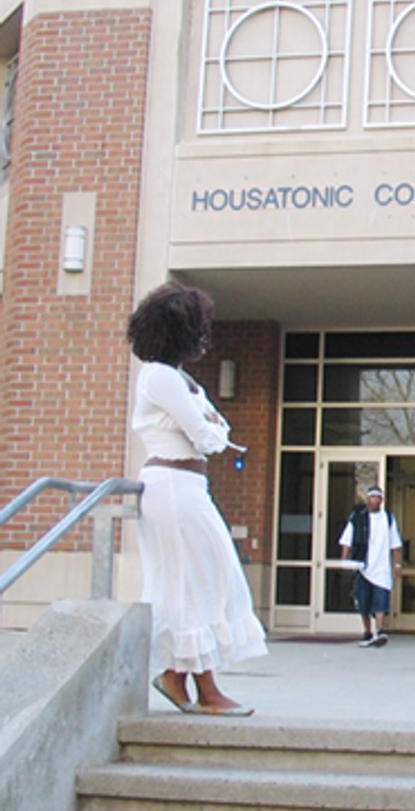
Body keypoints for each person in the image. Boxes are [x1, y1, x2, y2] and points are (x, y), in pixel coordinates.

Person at [128, 282, 267, 716]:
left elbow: (215, 428)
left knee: (207, 579)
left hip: (187, 487)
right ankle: (203, 688)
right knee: (197, 582)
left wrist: (214, 428)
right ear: (178, 332)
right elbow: (208, 436)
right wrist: (214, 429)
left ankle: (179, 676)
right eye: (198, 329)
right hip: (172, 485)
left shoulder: (178, 378)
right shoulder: (161, 376)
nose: (205, 337)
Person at [339, 484, 403, 648]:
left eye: (378, 497)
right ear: (368, 499)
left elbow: (395, 544)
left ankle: (380, 630)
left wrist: (397, 564)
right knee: (363, 602)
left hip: (381, 568)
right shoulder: (358, 518)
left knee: (380, 601)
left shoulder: (388, 518)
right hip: (362, 567)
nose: (375, 500)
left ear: (381, 500)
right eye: (372, 497)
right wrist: (344, 560)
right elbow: (347, 540)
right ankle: (367, 631)